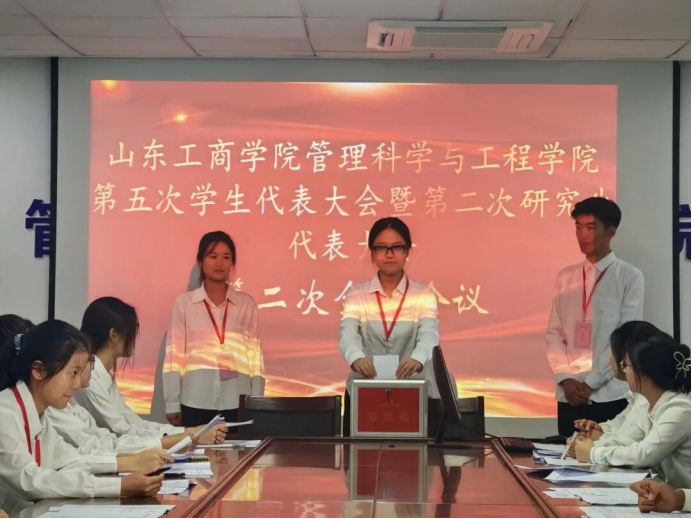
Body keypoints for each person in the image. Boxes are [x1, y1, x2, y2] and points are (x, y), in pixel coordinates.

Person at [0, 320, 163, 501]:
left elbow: (72, 461)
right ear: (39, 370)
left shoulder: (39, 414)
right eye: (73, 373)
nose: (77, 384)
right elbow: (30, 481)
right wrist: (118, 486)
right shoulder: (5, 413)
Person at [546, 197, 645, 437]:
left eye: (590, 228)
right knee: (568, 454)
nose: (582, 235)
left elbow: (625, 338)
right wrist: (565, 378)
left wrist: (592, 382)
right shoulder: (565, 277)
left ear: (611, 231)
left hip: (609, 395)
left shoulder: (629, 276)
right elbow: (554, 334)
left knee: (608, 454)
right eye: (578, 227)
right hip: (569, 395)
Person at [76, 297, 227, 444]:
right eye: (133, 329)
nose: (135, 337)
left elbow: (135, 423)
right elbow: (122, 430)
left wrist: (188, 432)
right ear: (114, 335)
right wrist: (189, 435)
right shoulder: (91, 378)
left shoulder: (102, 375)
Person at [338, 218, 440, 436]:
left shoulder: (423, 295)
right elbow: (347, 334)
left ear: (407, 251)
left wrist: (418, 358)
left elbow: (429, 335)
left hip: (413, 390)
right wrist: (356, 357)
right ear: (372, 252)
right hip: (364, 391)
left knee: (414, 455)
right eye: (382, 247)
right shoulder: (357, 294)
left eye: (397, 247)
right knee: (359, 456)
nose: (389, 254)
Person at [164, 231, 264, 428]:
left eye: (226, 257)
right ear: (201, 260)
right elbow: (174, 355)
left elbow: (255, 356)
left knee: (239, 448)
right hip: (195, 400)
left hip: (237, 400)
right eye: (213, 256)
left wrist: (257, 401)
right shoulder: (184, 303)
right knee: (197, 449)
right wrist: (172, 403)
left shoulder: (246, 304)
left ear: (232, 263)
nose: (220, 263)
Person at [574, 331, 691, 489]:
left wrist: (593, 453)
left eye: (626, 365)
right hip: (667, 493)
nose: (623, 371)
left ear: (644, 373)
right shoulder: (653, 405)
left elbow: (643, 454)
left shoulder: (679, 410)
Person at [573, 321, 658, 447]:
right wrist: (600, 429)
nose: (610, 358)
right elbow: (621, 422)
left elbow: (629, 443)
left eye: (612, 351)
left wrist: (596, 442)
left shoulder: (649, 397)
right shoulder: (638, 393)